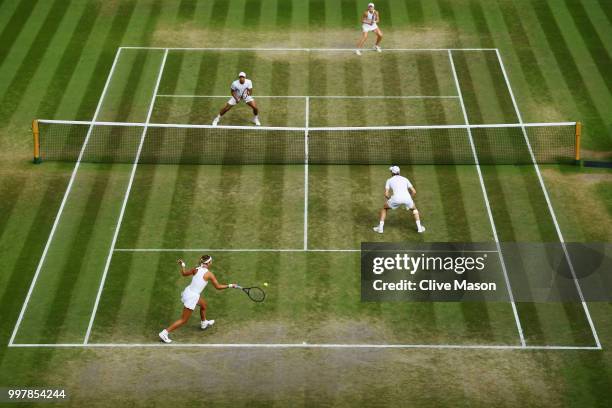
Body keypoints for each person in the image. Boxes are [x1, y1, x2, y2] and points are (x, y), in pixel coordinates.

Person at [159, 255, 237, 343]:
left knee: (204, 305)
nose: (212, 263)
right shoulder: (209, 274)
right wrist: (230, 285)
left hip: (189, 292)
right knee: (183, 320)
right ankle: (164, 333)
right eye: (211, 261)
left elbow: (184, 274)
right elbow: (218, 287)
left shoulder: (196, 269)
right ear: (209, 263)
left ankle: (204, 323)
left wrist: (183, 265)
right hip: (192, 297)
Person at [373, 166, 425, 234]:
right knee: (414, 209)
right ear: (399, 172)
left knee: (384, 208)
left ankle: (380, 228)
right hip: (407, 198)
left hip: (395, 199)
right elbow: (414, 192)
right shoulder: (405, 179)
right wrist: (409, 199)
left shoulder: (389, 180)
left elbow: (386, 194)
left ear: (392, 173)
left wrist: (391, 200)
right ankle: (419, 228)